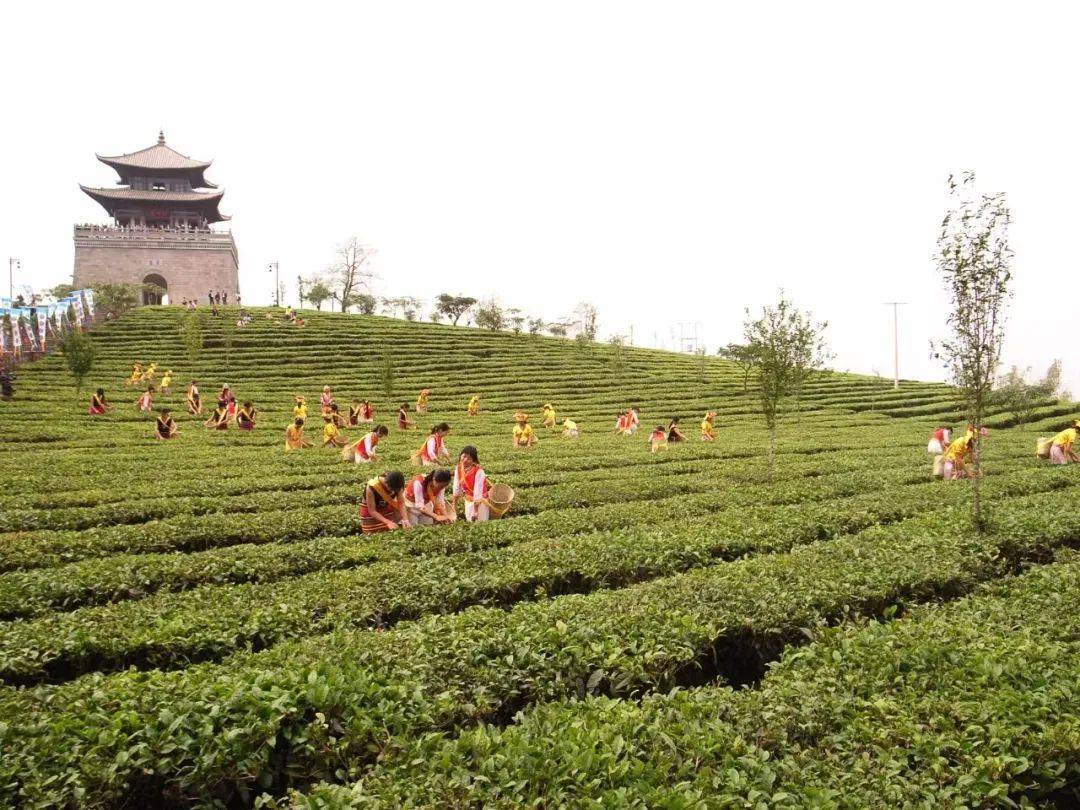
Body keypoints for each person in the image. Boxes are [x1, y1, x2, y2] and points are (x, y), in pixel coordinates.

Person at [453, 445, 492, 522]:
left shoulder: (478, 471)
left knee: (481, 521)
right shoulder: (458, 468)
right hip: (468, 500)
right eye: (464, 456)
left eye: (469, 458)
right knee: (470, 521)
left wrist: (476, 511)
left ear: (474, 460)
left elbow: (478, 492)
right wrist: (454, 504)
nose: (465, 460)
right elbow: (456, 487)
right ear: (460, 455)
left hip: (480, 503)